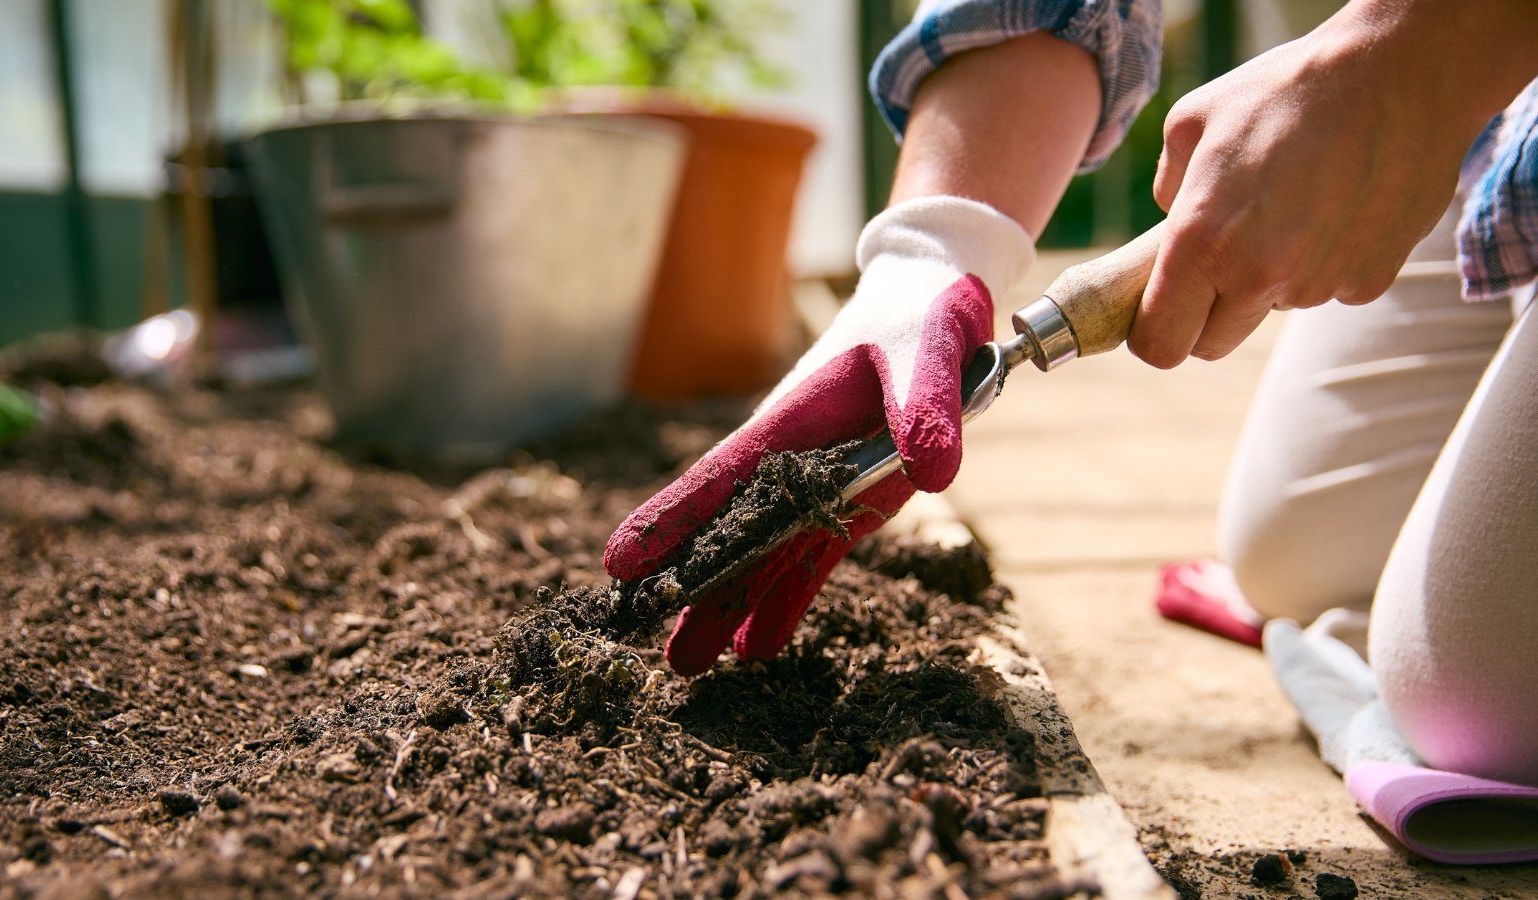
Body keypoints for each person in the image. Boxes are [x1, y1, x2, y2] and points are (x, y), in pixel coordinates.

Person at [605, 0, 1538, 796]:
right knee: (1295, 555)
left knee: (1471, 700)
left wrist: (1404, 59)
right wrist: (933, 248)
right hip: (1500, 131)